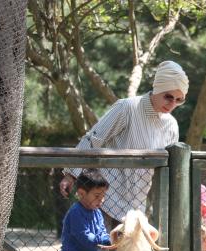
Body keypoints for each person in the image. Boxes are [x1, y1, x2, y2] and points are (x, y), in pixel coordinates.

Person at [60, 61, 189, 233]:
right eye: (168, 96)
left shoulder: (171, 126)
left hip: (136, 208)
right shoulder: (127, 108)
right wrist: (70, 174)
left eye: (178, 100)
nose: (172, 103)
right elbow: (93, 140)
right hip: (103, 199)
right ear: (157, 88)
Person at [57, 169, 111, 251]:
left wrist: (108, 239)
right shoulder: (76, 212)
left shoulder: (97, 212)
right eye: (97, 196)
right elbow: (84, 237)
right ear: (81, 193)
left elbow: (102, 230)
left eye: (103, 196)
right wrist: (101, 240)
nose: (101, 200)